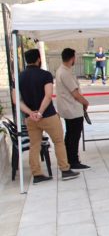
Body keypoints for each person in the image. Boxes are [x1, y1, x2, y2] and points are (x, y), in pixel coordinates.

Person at [18, 49, 80, 183]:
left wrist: (31, 113)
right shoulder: (45, 75)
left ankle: (37, 174)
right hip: (48, 115)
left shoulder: (19, 77)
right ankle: (65, 170)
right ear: (39, 59)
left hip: (30, 118)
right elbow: (48, 95)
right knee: (58, 142)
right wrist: (40, 112)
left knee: (34, 145)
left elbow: (16, 100)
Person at [55, 48, 91, 170]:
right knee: (74, 136)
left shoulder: (61, 70)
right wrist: (85, 102)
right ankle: (73, 160)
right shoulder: (65, 72)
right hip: (72, 109)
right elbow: (75, 93)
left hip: (67, 109)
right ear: (72, 58)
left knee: (70, 134)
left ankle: (68, 158)